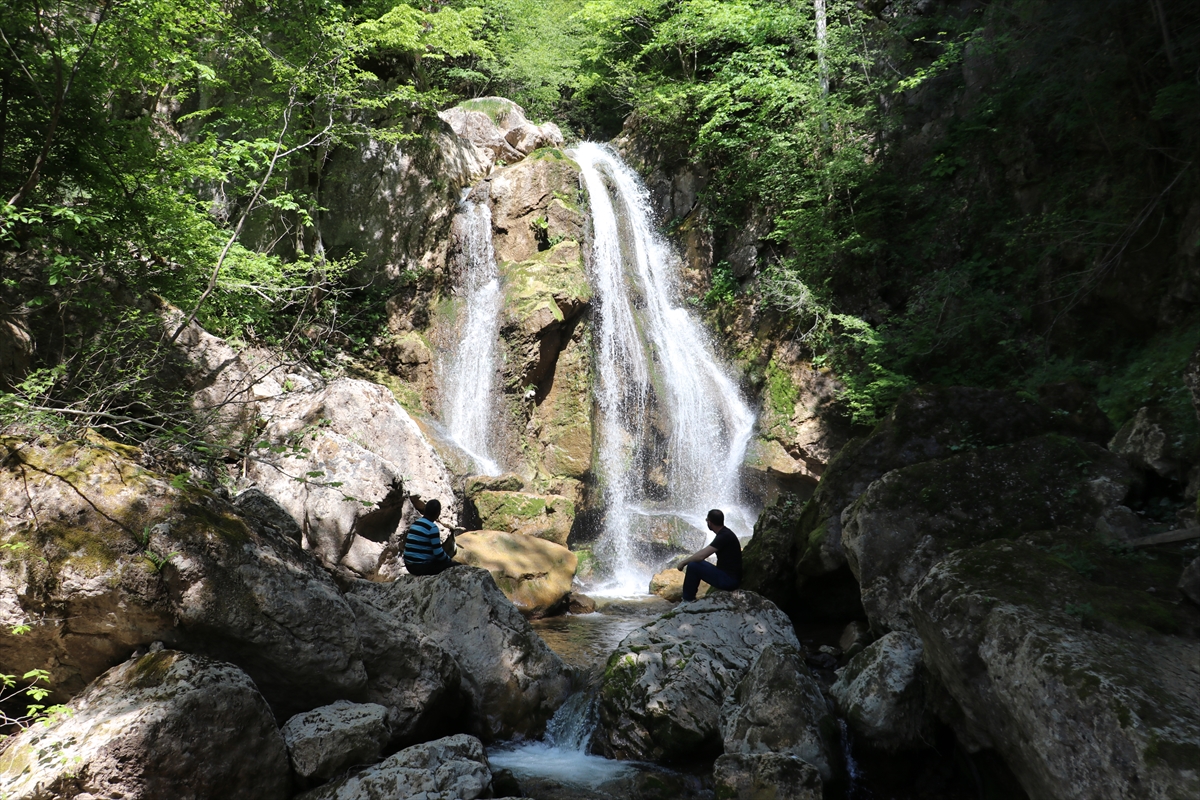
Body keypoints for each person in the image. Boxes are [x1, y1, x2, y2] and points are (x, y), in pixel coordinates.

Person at [676, 508, 741, 601]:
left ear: (710, 522)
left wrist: (683, 563)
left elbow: (701, 556)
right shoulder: (725, 533)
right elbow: (703, 552)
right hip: (728, 577)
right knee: (696, 564)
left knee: (693, 566)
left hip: (729, 581)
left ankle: (687, 600)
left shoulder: (724, 536)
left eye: (707, 520)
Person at [402, 498, 457, 576]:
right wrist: (449, 561)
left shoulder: (416, 523)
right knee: (454, 566)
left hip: (409, 565)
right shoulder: (432, 528)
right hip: (420, 567)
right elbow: (438, 553)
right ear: (438, 513)